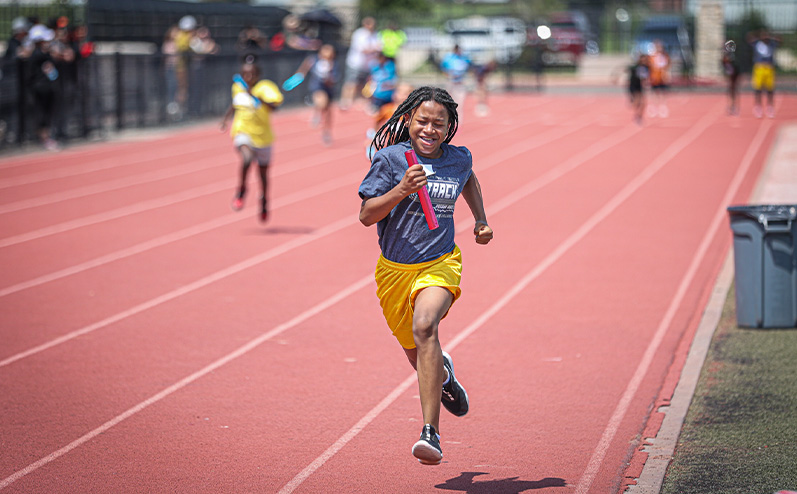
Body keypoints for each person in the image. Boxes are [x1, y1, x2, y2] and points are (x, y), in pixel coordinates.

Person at [358, 86, 494, 465]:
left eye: (439, 123)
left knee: (425, 326)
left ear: (450, 127)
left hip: (440, 261)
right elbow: (367, 216)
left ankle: (430, 434)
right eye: (423, 121)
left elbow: (469, 178)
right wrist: (402, 189)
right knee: (417, 352)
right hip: (394, 272)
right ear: (408, 120)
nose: (430, 130)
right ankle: (445, 379)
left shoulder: (458, 158)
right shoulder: (389, 161)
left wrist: (480, 220)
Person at [220, 61, 283, 222]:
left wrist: (257, 97)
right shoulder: (238, 87)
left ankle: (263, 201)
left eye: (251, 74)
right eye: (245, 74)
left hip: (263, 138)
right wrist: (226, 119)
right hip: (242, 131)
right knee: (246, 158)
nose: (248, 77)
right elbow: (235, 104)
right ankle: (241, 190)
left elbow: (275, 106)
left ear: (258, 75)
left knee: (263, 175)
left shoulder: (265, 87)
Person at [288, 44, 339, 145]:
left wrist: (328, 78)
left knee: (328, 112)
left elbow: (333, 80)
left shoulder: (334, 65)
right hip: (317, 87)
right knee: (321, 101)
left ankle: (326, 132)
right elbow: (304, 69)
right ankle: (317, 113)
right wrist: (296, 78)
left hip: (328, 89)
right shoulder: (313, 60)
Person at [340, 16, 381, 110]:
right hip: (356, 63)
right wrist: (373, 49)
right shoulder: (359, 34)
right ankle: (346, 100)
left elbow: (380, 47)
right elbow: (363, 49)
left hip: (368, 65)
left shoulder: (376, 34)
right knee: (351, 82)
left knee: (364, 84)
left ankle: (360, 100)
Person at [747, 29, 781, 118]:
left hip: (769, 68)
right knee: (758, 89)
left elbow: (780, 39)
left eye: (766, 36)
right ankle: (758, 107)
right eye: (763, 36)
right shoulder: (757, 44)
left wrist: (772, 37)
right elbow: (749, 37)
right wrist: (757, 36)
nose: (765, 38)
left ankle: (770, 107)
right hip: (759, 67)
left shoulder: (772, 44)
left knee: (770, 89)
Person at [440, 45, 471, 109]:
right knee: (446, 99)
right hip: (451, 81)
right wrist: (448, 75)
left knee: (459, 101)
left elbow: (468, 67)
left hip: (460, 82)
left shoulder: (463, 58)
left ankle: (458, 116)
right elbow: (443, 67)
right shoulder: (448, 58)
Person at [646, 40, 670, 118]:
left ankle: (663, 107)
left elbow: (666, 66)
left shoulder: (665, 56)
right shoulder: (651, 57)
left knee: (662, 93)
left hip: (662, 78)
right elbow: (649, 68)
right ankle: (654, 107)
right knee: (654, 93)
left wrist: (666, 75)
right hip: (654, 78)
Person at [628, 54, 649, 125]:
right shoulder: (635, 67)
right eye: (642, 59)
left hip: (640, 86)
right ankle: (636, 114)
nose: (644, 61)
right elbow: (626, 70)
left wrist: (646, 82)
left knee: (643, 103)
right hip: (633, 86)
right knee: (637, 101)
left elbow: (645, 77)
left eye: (645, 59)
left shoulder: (646, 67)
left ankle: (639, 116)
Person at [721, 45, 740, 116]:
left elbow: (736, 68)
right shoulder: (724, 58)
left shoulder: (733, 58)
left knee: (733, 90)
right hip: (730, 76)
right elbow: (724, 66)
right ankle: (730, 106)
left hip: (734, 75)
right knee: (729, 91)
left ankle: (734, 106)